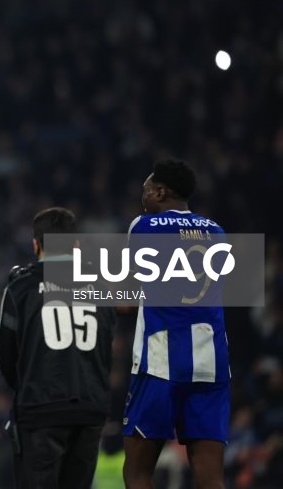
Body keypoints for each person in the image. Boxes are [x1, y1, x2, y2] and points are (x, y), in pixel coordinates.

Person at [122, 159, 230, 489]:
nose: (142, 196)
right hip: (212, 361)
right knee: (211, 476)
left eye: (145, 190)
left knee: (138, 472)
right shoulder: (216, 231)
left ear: (160, 191)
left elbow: (127, 296)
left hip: (160, 359)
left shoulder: (144, 226)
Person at [0, 207, 117, 488]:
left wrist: (26, 387)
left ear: (35, 244)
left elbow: (6, 356)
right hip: (90, 407)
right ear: (75, 245)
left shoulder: (21, 287)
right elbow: (107, 345)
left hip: (40, 408)